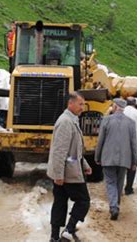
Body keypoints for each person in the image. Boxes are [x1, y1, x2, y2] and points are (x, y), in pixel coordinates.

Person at [47, 92, 92, 242]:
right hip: (68, 173)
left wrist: (84, 164)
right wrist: (59, 175)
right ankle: (69, 230)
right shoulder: (66, 122)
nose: (82, 107)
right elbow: (60, 151)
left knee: (60, 202)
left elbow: (75, 150)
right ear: (70, 104)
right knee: (83, 201)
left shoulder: (71, 120)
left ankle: (54, 237)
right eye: (80, 104)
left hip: (67, 169)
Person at [95, 98, 137, 220]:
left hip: (108, 158)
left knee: (110, 182)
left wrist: (97, 156)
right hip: (125, 159)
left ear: (115, 107)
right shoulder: (131, 123)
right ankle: (116, 205)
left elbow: (100, 141)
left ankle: (114, 206)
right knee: (119, 183)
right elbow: (133, 144)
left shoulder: (106, 120)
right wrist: (134, 161)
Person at [123, 97, 137, 195]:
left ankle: (118, 187)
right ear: (135, 104)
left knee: (121, 166)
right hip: (134, 144)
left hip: (121, 143)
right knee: (132, 167)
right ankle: (128, 188)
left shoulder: (121, 112)